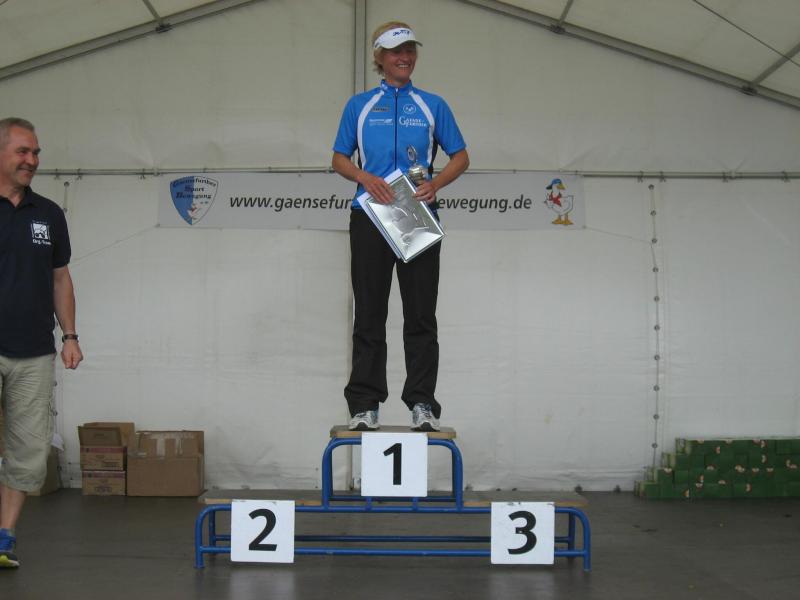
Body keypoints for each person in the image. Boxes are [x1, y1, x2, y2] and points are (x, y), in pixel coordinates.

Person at [332, 22, 469, 432]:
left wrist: (435, 184)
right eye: (395, 51)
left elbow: (461, 156)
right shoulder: (359, 105)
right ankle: (365, 406)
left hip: (417, 215)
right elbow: (339, 158)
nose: (404, 57)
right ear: (379, 57)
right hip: (371, 215)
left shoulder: (432, 105)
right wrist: (363, 177)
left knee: (421, 314)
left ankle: (422, 404)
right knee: (369, 314)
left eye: (409, 50)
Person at [0, 117, 83, 568]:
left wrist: (70, 335)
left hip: (33, 351)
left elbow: (60, 277)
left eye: (35, 153)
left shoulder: (48, 213)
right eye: (22, 152)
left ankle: (4, 537)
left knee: (29, 455)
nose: (32, 160)